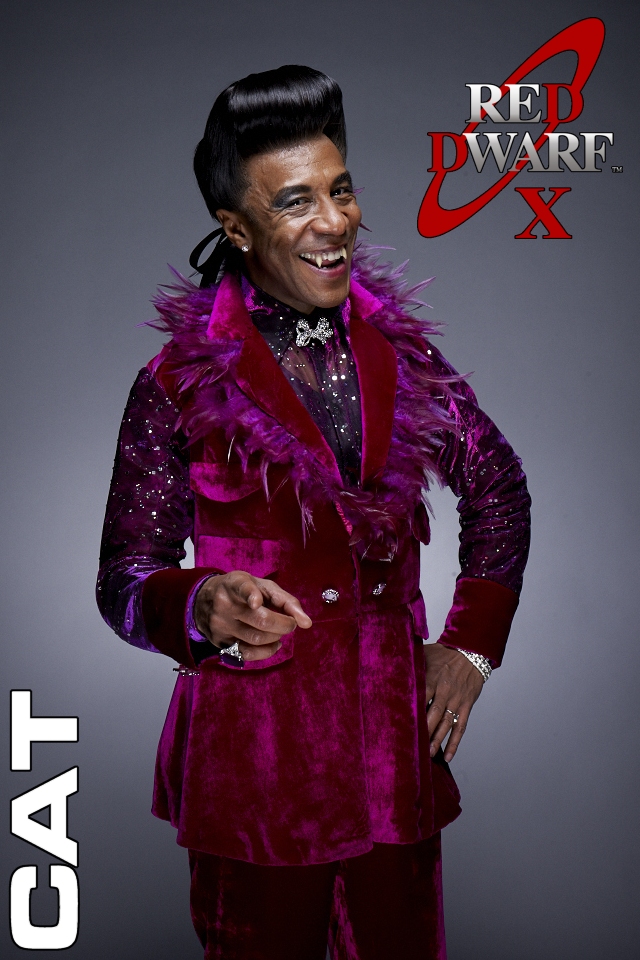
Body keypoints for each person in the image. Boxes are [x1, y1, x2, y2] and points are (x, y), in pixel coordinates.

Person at [97, 65, 530, 960]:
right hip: (253, 775)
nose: (334, 222)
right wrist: (200, 603)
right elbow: (124, 578)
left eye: (341, 190)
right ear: (237, 228)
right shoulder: (175, 382)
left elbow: (498, 487)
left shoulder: (405, 358)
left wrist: (472, 649)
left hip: (393, 762)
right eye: (296, 202)